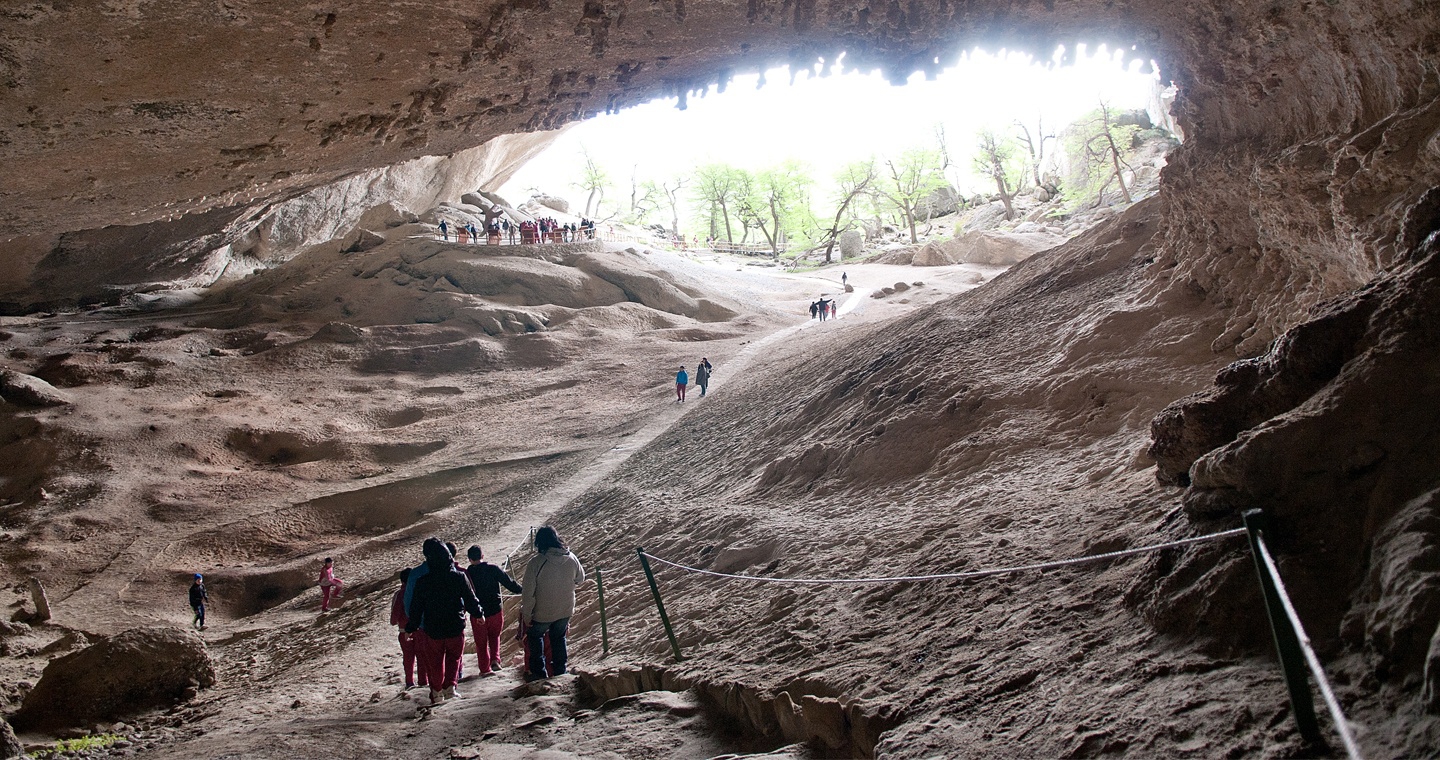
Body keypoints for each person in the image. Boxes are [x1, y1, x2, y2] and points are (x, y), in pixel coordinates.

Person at [407, 539, 482, 704]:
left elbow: (416, 608)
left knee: (435, 661)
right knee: (454, 658)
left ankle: (437, 691)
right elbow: (471, 599)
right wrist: (479, 614)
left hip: (433, 629)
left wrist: (410, 627)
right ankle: (450, 688)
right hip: (455, 625)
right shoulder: (459, 577)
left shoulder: (423, 582)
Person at [521, 527, 585, 681]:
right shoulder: (571, 557)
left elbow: (528, 592)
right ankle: (560, 672)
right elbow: (581, 578)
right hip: (565, 609)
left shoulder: (536, 562)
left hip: (542, 612)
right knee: (559, 638)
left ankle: (539, 674)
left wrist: (527, 615)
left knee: (535, 637)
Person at [465, 546, 522, 676]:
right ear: (482, 556)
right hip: (495, 609)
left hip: (477, 613)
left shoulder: (467, 574)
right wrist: (523, 590)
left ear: (469, 559)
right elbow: (509, 583)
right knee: (494, 636)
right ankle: (495, 660)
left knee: (481, 642)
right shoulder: (492, 569)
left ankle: (484, 668)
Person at [390, 568, 426, 689]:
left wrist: (396, 621)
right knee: (422, 656)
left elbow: (394, 617)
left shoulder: (399, 594)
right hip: (420, 630)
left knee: (408, 658)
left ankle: (409, 681)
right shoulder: (420, 589)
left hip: (404, 630)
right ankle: (423, 680)